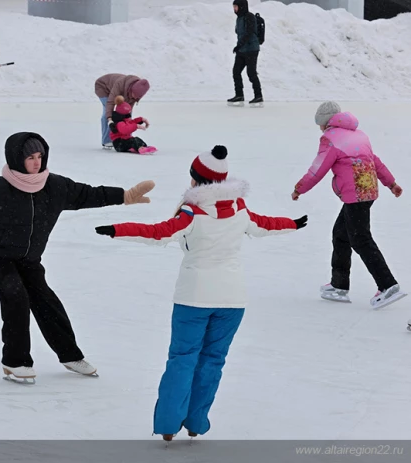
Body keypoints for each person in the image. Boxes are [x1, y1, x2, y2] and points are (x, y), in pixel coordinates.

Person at [0, 132, 155, 383]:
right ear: (15, 158)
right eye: (29, 157)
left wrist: (124, 196)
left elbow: (89, 194)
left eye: (39, 156)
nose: (36, 162)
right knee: (15, 298)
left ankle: (70, 356)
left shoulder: (55, 186)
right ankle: (15, 361)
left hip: (29, 257)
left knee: (46, 301)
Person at [95, 146, 306, 441]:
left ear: (195, 179)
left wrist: (118, 228)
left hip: (193, 298)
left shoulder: (192, 212)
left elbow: (158, 233)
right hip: (232, 300)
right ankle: (196, 422)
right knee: (212, 361)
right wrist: (293, 223)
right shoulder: (240, 209)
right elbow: (267, 225)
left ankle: (168, 425)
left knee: (182, 359)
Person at [292, 101, 406, 309]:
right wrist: (391, 183)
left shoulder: (330, 139)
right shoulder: (359, 135)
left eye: (319, 124)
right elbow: (376, 161)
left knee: (360, 239)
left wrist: (300, 188)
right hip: (367, 192)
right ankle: (339, 285)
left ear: (325, 123)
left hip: (355, 195)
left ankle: (387, 285)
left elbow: (317, 169)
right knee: (341, 235)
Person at [94, 73, 150, 149]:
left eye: (136, 97)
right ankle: (106, 141)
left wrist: (129, 130)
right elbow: (110, 102)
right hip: (103, 87)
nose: (134, 97)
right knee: (107, 113)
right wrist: (110, 120)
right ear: (131, 89)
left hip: (118, 90)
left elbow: (128, 111)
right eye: (133, 94)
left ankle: (126, 137)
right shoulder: (120, 85)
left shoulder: (137, 92)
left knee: (125, 113)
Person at [227, 0, 263, 105]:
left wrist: (239, 45)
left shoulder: (249, 17)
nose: (234, 9)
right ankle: (239, 95)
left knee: (251, 73)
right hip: (242, 49)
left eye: (236, 7)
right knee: (236, 71)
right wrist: (239, 46)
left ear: (242, 6)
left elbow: (249, 32)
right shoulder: (239, 18)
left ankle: (258, 96)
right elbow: (239, 32)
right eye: (234, 7)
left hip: (251, 49)